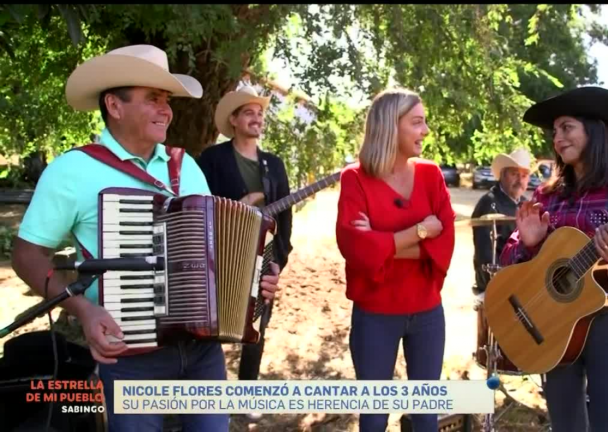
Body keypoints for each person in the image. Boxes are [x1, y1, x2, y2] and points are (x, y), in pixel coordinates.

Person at [10, 45, 282, 432]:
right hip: (131, 355)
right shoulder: (72, 170)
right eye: (153, 98)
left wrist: (257, 277)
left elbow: (216, 246)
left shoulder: (185, 164)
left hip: (204, 351)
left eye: (167, 100)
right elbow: (26, 254)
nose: (166, 110)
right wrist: (84, 310)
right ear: (114, 106)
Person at [499, 86, 608, 432]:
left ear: (595, 129)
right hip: (554, 324)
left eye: (567, 128)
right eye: (555, 131)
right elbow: (509, 263)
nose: (557, 139)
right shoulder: (548, 195)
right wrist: (530, 245)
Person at [335, 88, 456, 431]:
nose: (426, 131)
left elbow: (445, 243)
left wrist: (382, 241)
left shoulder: (432, 176)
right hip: (375, 316)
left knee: (426, 417)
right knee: (374, 418)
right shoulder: (355, 179)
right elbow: (356, 249)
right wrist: (420, 232)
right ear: (391, 126)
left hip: (428, 313)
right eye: (417, 122)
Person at [196, 84, 293, 386]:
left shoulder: (274, 165)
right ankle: (208, 387)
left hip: (264, 256)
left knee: (256, 327)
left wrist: (280, 258)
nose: (257, 118)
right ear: (234, 121)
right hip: (220, 255)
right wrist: (240, 206)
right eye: (249, 113)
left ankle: (247, 388)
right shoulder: (212, 158)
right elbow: (199, 205)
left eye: (260, 113)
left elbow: (285, 218)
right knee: (211, 323)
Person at [471, 148, 532, 295]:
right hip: (497, 286)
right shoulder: (489, 203)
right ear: (502, 175)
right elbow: (486, 255)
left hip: (522, 282)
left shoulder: (526, 205)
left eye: (524, 175)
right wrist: (498, 287)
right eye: (514, 174)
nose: (519, 180)